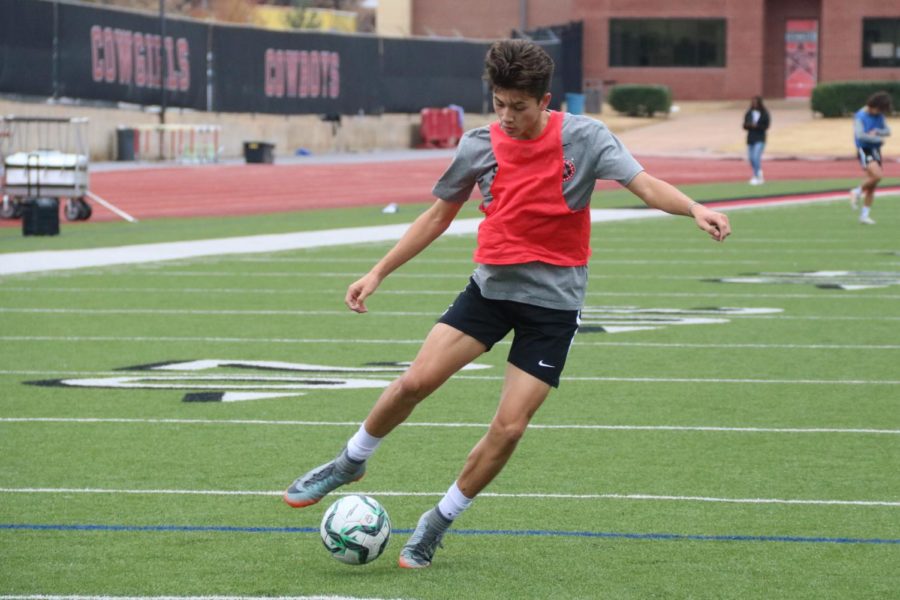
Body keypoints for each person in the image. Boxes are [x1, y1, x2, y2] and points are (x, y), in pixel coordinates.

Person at [283, 38, 731, 569]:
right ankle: (350, 461)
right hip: (489, 294)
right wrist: (378, 271)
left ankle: (437, 521)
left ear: (544, 101)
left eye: (518, 107)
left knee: (510, 427)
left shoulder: (585, 139)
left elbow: (644, 183)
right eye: (499, 104)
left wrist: (694, 208)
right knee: (414, 383)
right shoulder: (478, 145)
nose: (507, 117)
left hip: (552, 309)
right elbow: (436, 217)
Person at [850, 91, 892, 225]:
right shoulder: (860, 116)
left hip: (876, 150)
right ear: (873, 106)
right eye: (879, 109)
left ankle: (864, 215)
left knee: (872, 185)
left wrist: (878, 132)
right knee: (878, 175)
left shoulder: (879, 116)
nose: (879, 113)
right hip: (865, 149)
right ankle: (856, 191)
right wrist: (876, 138)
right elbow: (860, 135)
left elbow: (888, 131)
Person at [743, 96, 770, 185]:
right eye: (753, 102)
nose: (754, 104)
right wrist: (750, 125)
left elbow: (767, 126)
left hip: (760, 138)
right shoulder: (749, 113)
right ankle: (758, 172)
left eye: (756, 102)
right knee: (751, 158)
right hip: (751, 138)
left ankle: (756, 175)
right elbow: (744, 125)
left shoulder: (764, 113)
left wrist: (757, 126)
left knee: (756, 157)